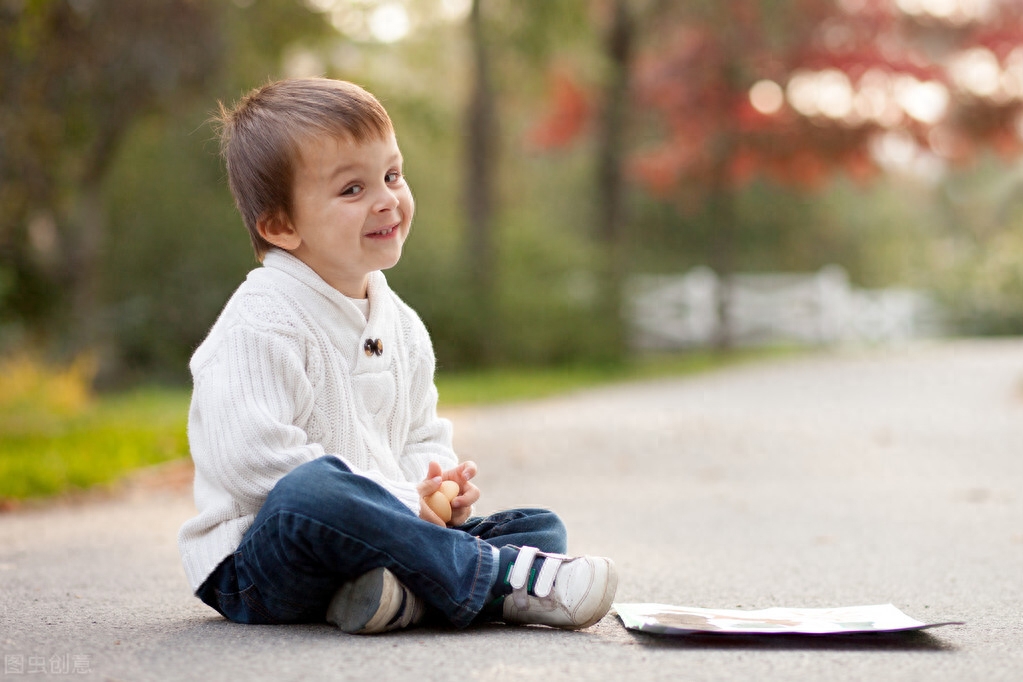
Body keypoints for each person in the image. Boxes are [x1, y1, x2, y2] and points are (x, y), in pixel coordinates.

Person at [177, 77, 618, 634]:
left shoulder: (401, 324)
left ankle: (398, 596)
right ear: (281, 226)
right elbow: (253, 462)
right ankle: (488, 580)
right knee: (313, 489)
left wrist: (433, 494)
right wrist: (404, 502)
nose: (387, 198)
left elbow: (421, 438)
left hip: (377, 539)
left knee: (540, 529)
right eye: (352, 190)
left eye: (391, 175)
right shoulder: (261, 320)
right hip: (262, 561)